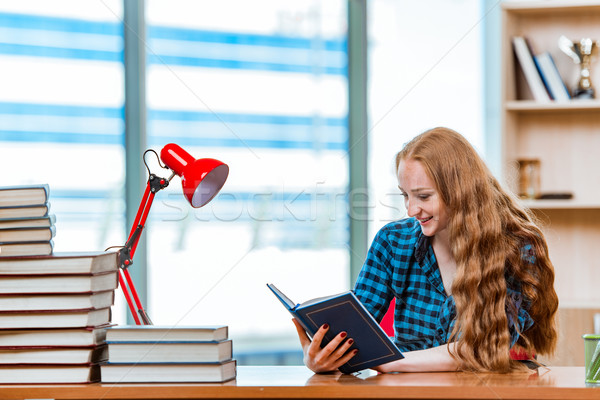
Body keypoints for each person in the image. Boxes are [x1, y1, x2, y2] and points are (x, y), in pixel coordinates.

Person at [293, 127, 558, 373]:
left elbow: (479, 350)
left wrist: (392, 360)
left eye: (423, 196)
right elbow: (357, 333)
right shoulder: (392, 241)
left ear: (460, 192)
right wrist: (322, 357)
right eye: (405, 195)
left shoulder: (517, 246)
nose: (410, 210)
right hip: (411, 389)